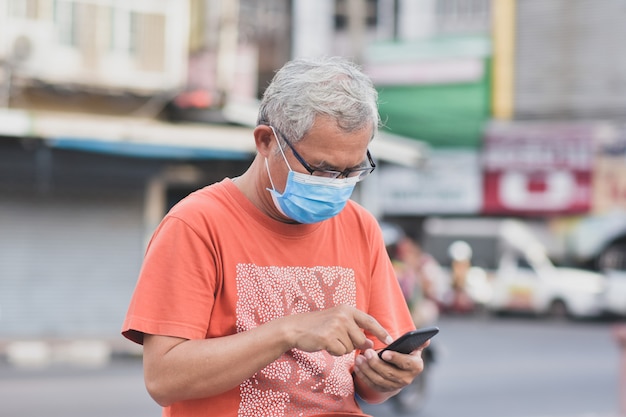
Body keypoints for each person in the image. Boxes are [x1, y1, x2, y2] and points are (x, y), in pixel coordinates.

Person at [121, 56, 428, 417]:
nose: (337, 185)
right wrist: (287, 332)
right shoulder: (196, 225)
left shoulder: (360, 226)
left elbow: (367, 383)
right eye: (323, 169)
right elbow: (164, 379)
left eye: (351, 171)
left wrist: (387, 377)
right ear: (266, 141)